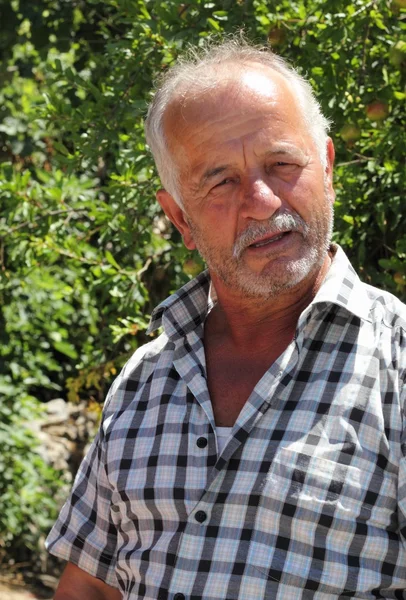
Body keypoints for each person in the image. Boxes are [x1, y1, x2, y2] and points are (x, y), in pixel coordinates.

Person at [46, 37, 406, 600]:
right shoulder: (145, 380)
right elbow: (89, 587)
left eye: (283, 164)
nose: (262, 200)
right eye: (221, 182)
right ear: (180, 219)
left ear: (328, 167)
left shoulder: (397, 366)